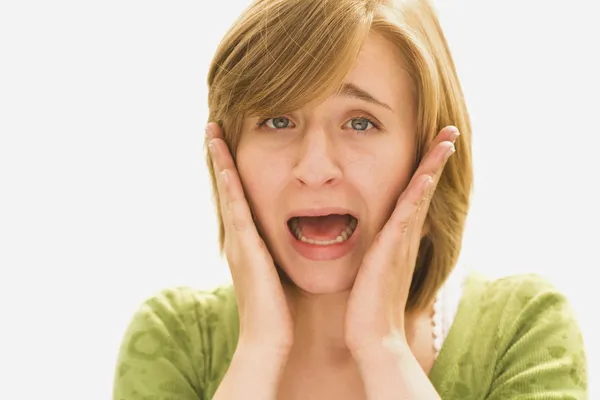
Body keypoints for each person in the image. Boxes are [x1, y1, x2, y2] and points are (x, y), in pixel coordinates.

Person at [113, 0, 588, 398]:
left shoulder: (524, 331)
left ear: (426, 155)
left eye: (360, 122)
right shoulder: (174, 340)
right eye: (277, 120)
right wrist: (259, 352)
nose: (315, 169)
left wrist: (382, 347)